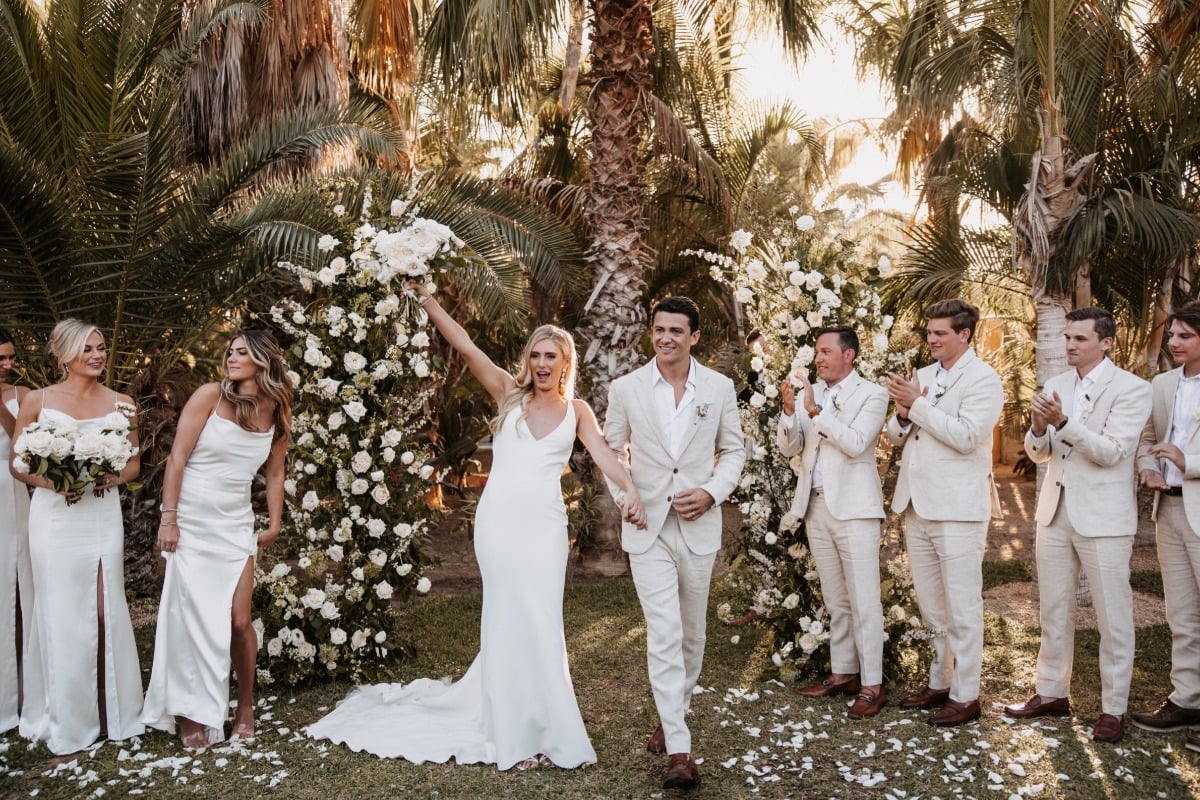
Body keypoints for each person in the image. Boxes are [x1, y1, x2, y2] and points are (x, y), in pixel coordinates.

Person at [307, 285, 647, 771]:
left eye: (552, 356)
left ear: (566, 363)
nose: (543, 363)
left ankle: (546, 726)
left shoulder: (578, 412)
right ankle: (512, 729)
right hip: (498, 524)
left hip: (545, 528)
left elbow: (604, 456)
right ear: (528, 360)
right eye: (537, 355)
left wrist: (630, 490)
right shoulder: (509, 392)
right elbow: (466, 345)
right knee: (507, 616)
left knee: (542, 622)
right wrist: (428, 301)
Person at [605, 296, 746, 790]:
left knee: (692, 633)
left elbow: (733, 450)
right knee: (664, 632)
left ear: (694, 337)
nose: (665, 338)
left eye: (675, 331)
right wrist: (625, 495)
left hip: (698, 525)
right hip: (647, 529)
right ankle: (681, 751)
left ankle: (671, 716)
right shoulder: (625, 389)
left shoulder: (719, 387)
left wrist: (711, 492)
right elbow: (609, 453)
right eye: (658, 329)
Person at [1003, 307, 1151, 744]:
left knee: (1113, 616)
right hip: (1055, 510)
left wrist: (1063, 423)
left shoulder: (1132, 389)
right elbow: (1041, 454)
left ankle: (1113, 708)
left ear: (1106, 343)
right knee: (1053, 608)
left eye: (1080, 339)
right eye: (1067, 338)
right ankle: (1051, 692)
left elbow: (1112, 452)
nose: (1069, 345)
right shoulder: (1057, 384)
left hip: (1104, 517)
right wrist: (1036, 427)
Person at [141, 331, 292, 748]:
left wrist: (274, 521)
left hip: (235, 524)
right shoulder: (209, 396)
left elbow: (275, 472)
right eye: (230, 351)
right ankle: (190, 715)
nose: (232, 357)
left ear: (264, 360)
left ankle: (245, 706)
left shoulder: (277, 409)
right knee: (191, 618)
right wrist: (168, 520)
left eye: (242, 352)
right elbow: (178, 459)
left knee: (239, 620)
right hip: (191, 521)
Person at [10, 320, 143, 754]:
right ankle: (68, 716)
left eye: (101, 347)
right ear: (65, 354)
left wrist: (110, 476)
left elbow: (134, 467)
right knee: (61, 611)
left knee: (107, 608)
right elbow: (17, 462)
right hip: (54, 519)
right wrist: (53, 483)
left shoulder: (123, 404)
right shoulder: (38, 400)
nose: (97, 355)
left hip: (101, 514)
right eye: (87, 348)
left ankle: (115, 713)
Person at [885, 298, 1003, 727]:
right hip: (917, 504)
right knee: (932, 606)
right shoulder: (925, 375)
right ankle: (940, 680)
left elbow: (967, 436)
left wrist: (916, 405)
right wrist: (901, 412)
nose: (931, 339)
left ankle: (966, 695)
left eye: (940, 333)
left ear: (964, 335)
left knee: (963, 605)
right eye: (929, 332)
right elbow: (898, 437)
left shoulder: (984, 380)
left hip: (958, 509)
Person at [778, 327, 889, 718]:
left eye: (826, 352)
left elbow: (857, 442)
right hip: (816, 507)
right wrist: (791, 413)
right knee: (835, 600)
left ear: (850, 355)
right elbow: (790, 448)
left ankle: (872, 684)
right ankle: (844, 671)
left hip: (856, 509)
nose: (819, 359)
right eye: (816, 353)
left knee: (864, 600)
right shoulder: (815, 396)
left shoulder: (873, 395)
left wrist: (813, 411)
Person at [1134, 300, 1200, 751]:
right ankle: (1186, 700)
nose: (1174, 343)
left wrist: (1187, 461)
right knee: (1181, 615)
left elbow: (1180, 450)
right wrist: (1148, 469)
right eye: (1173, 334)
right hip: (1169, 509)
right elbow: (1145, 438)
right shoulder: (1161, 384)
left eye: (1184, 336)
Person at [0, 327, 33, 733]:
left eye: (9, 357)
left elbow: (23, 446)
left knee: (22, 592)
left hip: (16, 501)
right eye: (0, 359)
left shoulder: (23, 396)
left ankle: (22, 694)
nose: (7, 365)